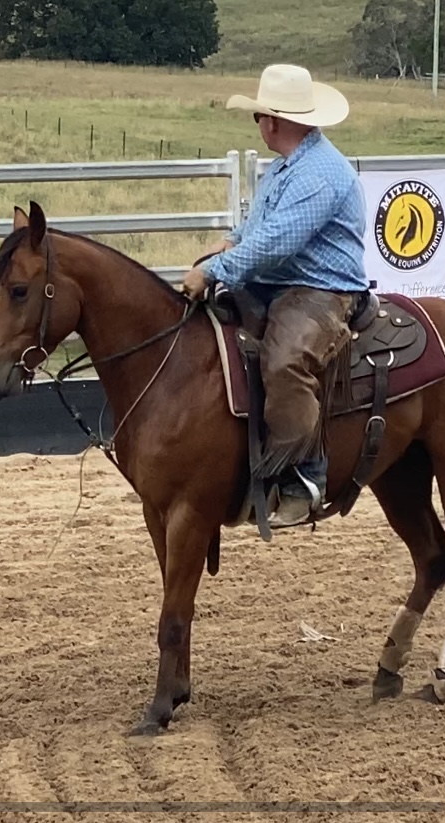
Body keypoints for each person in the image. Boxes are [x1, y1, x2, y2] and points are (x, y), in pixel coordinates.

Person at [182, 64, 370, 528]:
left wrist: (214, 268)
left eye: (259, 116)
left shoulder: (319, 173)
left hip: (321, 288)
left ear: (273, 121)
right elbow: (258, 229)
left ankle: (304, 478)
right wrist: (229, 242)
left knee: (286, 361)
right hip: (280, 282)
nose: (259, 124)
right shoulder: (288, 167)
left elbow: (275, 244)